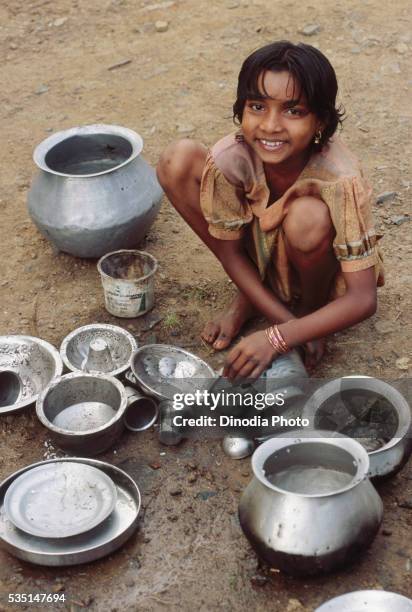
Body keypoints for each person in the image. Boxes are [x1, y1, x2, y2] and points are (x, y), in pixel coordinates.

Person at [156, 41, 384, 380]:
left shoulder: (340, 177)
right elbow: (230, 253)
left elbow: (363, 298)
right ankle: (251, 299)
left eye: (294, 111)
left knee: (308, 217)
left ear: (320, 121)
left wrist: (279, 337)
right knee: (177, 159)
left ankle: (310, 311)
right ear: (241, 110)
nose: (271, 126)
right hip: (259, 257)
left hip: (315, 266)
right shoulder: (232, 159)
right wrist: (286, 326)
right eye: (257, 106)